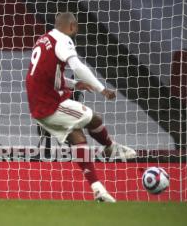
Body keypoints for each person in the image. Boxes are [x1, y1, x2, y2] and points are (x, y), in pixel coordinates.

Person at [26, 12, 136, 202]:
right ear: (71, 26)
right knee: (94, 118)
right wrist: (102, 89)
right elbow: (78, 67)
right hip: (50, 105)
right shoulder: (64, 40)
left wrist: (75, 85)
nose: (77, 31)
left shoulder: (43, 39)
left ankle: (98, 189)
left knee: (78, 136)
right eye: (76, 27)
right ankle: (111, 148)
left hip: (40, 102)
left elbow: (46, 76)